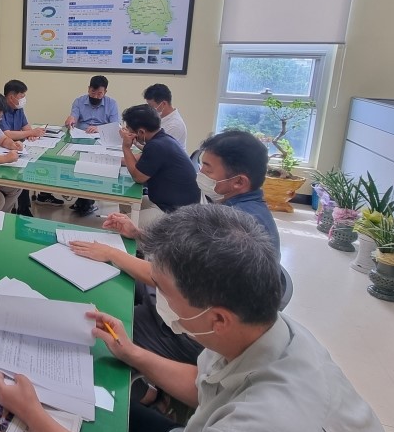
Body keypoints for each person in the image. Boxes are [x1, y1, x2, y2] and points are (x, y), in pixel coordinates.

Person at [0, 205, 394, 432]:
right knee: (106, 413)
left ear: (216, 317)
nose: (158, 298)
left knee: (59, 430)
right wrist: (133, 353)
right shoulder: (268, 331)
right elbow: (206, 383)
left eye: (165, 291)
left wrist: (33, 414)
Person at [71, 129, 283, 365]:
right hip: (186, 301)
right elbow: (183, 261)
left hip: (195, 334)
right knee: (122, 282)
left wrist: (111, 252)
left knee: (99, 334)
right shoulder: (237, 208)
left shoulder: (235, 229)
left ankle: (148, 393)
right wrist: (137, 234)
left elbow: (164, 277)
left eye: (208, 168)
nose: (200, 172)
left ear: (239, 181)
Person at [120, 104, 199, 213]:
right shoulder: (163, 139)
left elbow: (138, 177)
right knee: (124, 204)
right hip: (172, 202)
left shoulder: (156, 146)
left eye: (129, 130)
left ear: (141, 132)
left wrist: (126, 147)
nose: (128, 133)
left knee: (120, 224)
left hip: (174, 211)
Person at [63, 75, 120, 214]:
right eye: (92, 92)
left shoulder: (112, 104)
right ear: (88, 89)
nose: (95, 96)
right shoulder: (79, 101)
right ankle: (82, 197)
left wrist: (99, 129)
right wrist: (71, 120)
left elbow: (115, 126)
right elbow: (74, 117)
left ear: (105, 92)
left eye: (99, 93)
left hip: (102, 140)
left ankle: (86, 199)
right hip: (81, 137)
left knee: (93, 164)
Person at [0, 79, 44, 215]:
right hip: (2, 149)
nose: (24, 99)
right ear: (11, 97)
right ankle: (23, 209)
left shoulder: (18, 109)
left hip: (17, 147)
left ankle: (26, 206)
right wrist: (31, 132)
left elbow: (26, 126)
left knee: (32, 164)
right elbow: (7, 134)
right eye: (22, 96)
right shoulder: (0, 109)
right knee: (22, 171)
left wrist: (31, 134)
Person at [143, 83, 188, 151]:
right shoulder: (159, 118)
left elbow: (157, 152)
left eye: (151, 106)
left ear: (163, 104)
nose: (150, 109)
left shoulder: (174, 125)